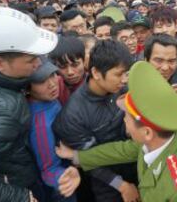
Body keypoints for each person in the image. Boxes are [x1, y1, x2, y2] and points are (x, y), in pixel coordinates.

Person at [56, 61, 177, 202]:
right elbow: (122, 150)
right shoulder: (163, 136)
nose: (123, 121)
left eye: (127, 118)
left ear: (147, 133)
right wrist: (78, 157)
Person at [0, 7, 71, 201]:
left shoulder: (5, 83)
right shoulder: (3, 111)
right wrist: (20, 197)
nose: (38, 65)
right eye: (31, 60)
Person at [53, 41, 138, 202]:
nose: (124, 80)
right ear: (96, 72)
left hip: (136, 165)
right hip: (110, 185)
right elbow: (89, 161)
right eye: (119, 74)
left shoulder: (121, 89)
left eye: (126, 73)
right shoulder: (73, 116)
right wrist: (121, 185)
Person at [27, 58, 80, 202]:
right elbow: (48, 170)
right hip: (63, 189)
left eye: (52, 75)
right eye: (41, 81)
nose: (52, 84)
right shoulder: (40, 123)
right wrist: (64, 179)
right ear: (27, 87)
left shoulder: (49, 99)